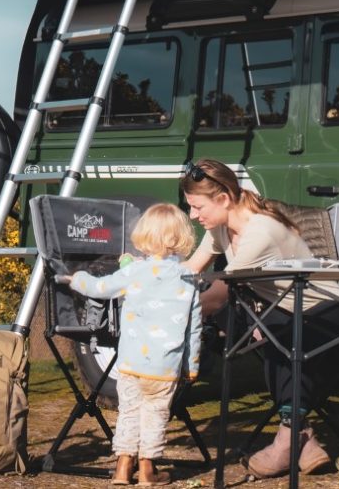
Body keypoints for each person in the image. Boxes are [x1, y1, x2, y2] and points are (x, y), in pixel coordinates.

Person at [182, 158, 339, 478]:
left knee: (276, 337)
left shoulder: (260, 231)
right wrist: (149, 280)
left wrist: (164, 310)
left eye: (197, 206)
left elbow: (219, 293)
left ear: (223, 199)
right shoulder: (220, 226)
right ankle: (302, 439)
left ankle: (287, 439)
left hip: (329, 313)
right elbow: (192, 268)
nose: (193, 215)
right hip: (281, 311)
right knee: (262, 325)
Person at [63, 203, 202, 486]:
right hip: (164, 367)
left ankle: (122, 468)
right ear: (181, 238)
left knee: (128, 414)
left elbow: (99, 288)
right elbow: (194, 328)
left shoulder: (134, 272)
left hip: (130, 362)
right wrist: (192, 366)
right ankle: (148, 470)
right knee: (154, 416)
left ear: (144, 237)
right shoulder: (189, 278)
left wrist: (75, 279)